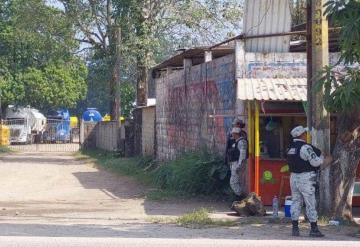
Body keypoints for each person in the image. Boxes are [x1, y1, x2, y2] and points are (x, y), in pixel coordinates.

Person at [286, 126, 332, 237]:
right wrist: (324, 160)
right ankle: (314, 229)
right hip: (306, 178)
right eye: (305, 133)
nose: (306, 135)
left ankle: (295, 229)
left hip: (293, 177)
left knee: (296, 201)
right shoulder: (305, 147)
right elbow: (315, 162)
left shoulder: (290, 147)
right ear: (302, 135)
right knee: (310, 203)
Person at [227, 126, 248, 200]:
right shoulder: (236, 142)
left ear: (236, 134)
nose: (232, 135)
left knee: (233, 182)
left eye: (233, 134)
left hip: (237, 164)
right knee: (235, 182)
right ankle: (239, 197)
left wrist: (239, 166)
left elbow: (242, 155)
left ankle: (240, 197)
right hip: (234, 164)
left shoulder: (241, 142)